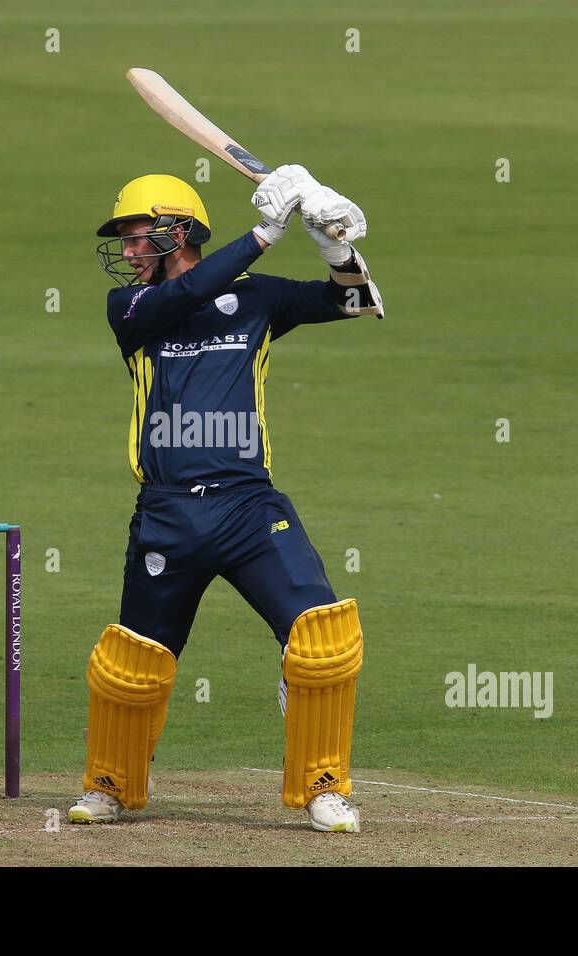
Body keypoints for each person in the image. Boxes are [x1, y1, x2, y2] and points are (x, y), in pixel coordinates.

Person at [69, 166, 383, 832]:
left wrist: (332, 242)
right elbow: (185, 294)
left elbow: (358, 302)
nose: (125, 252)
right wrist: (267, 231)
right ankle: (111, 785)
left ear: (176, 231)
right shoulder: (129, 311)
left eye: (134, 236)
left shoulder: (258, 299)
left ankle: (324, 786)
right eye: (122, 239)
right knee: (135, 664)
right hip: (168, 512)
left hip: (248, 507)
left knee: (322, 639)